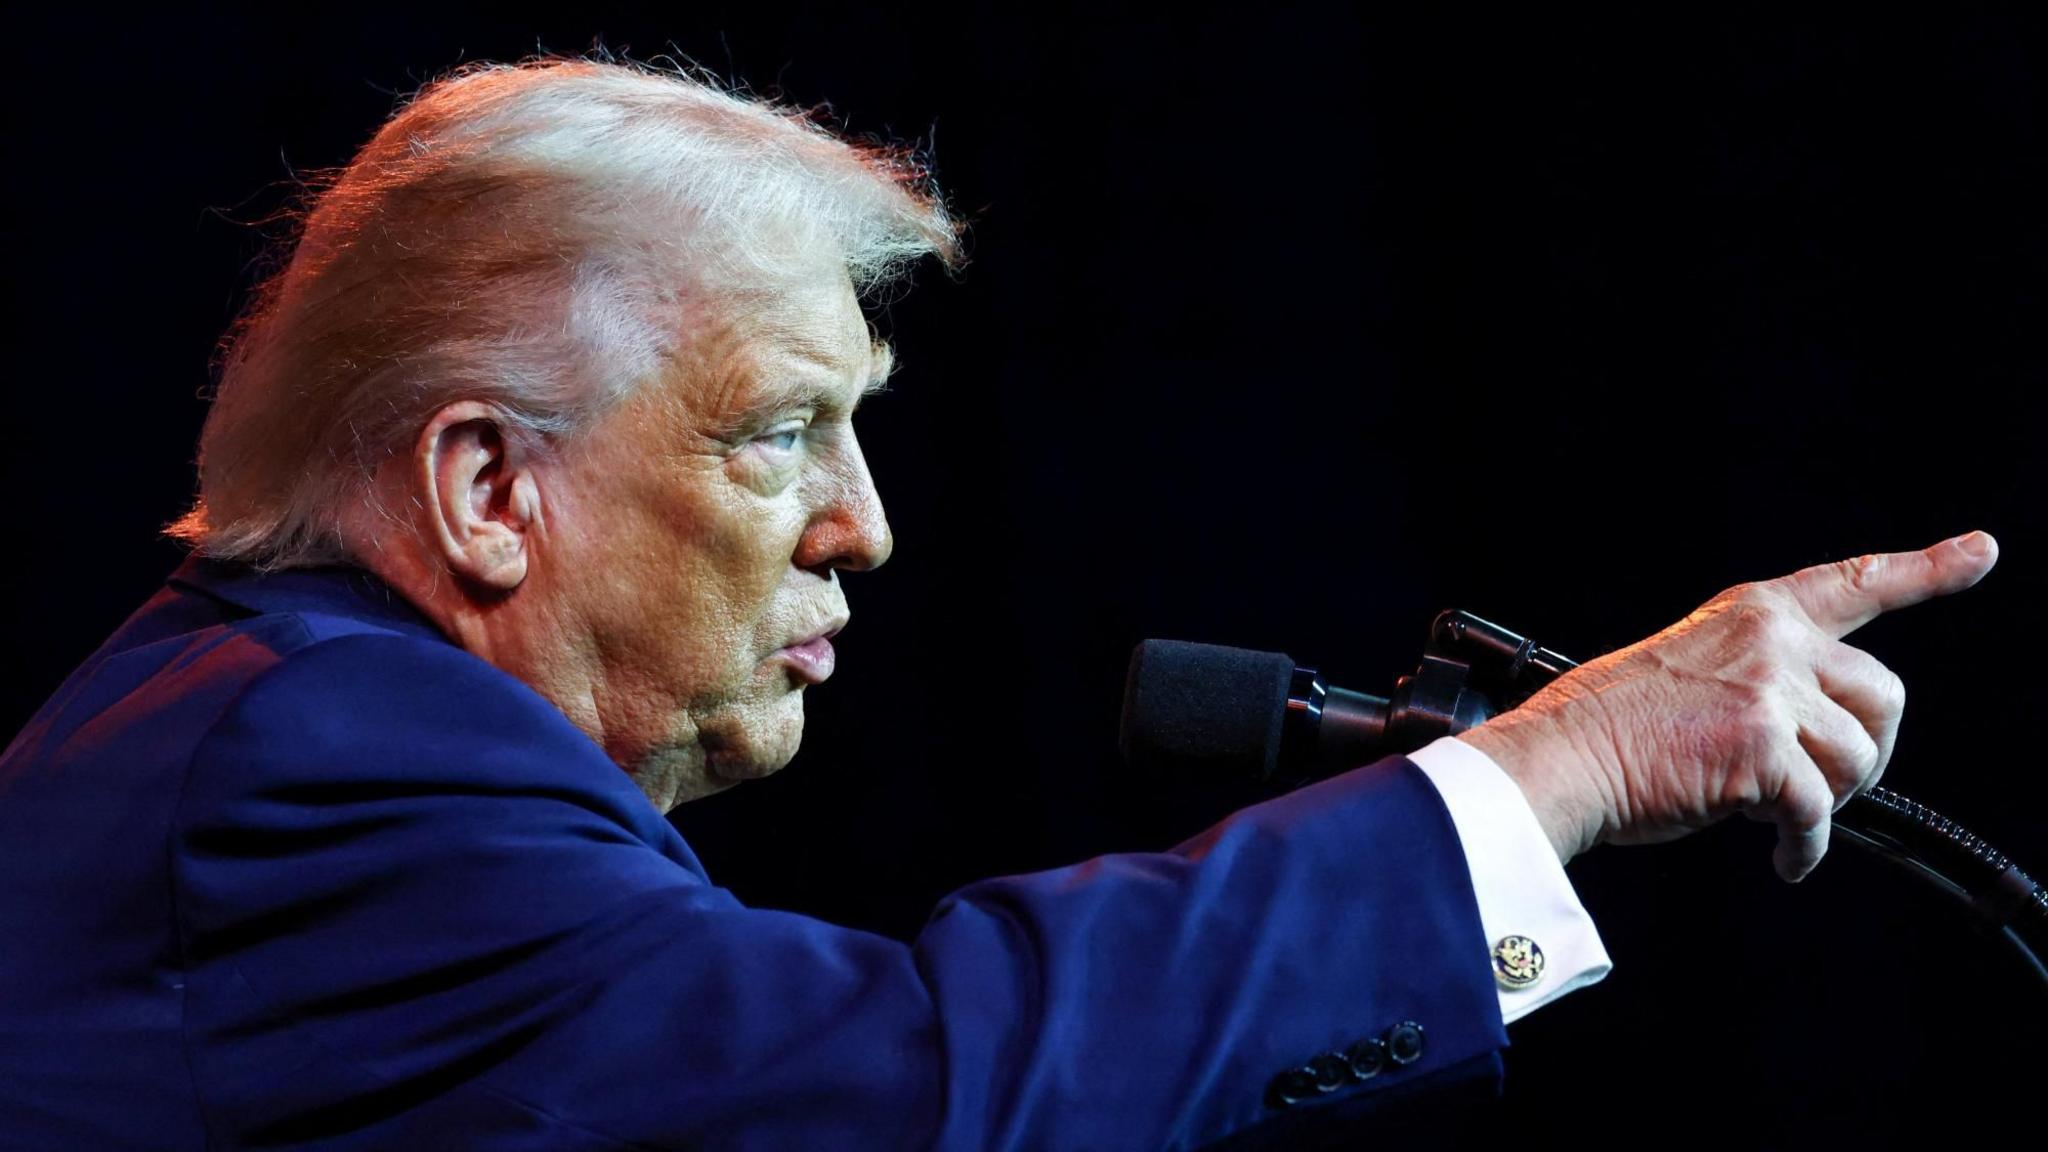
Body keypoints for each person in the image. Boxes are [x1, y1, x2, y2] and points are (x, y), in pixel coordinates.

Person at [0, 58, 1999, 1150]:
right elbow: (918, 1085)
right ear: (484, 490)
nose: (864, 528)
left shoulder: (241, 715)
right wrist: (1558, 770)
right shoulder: (320, 760)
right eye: (778, 434)